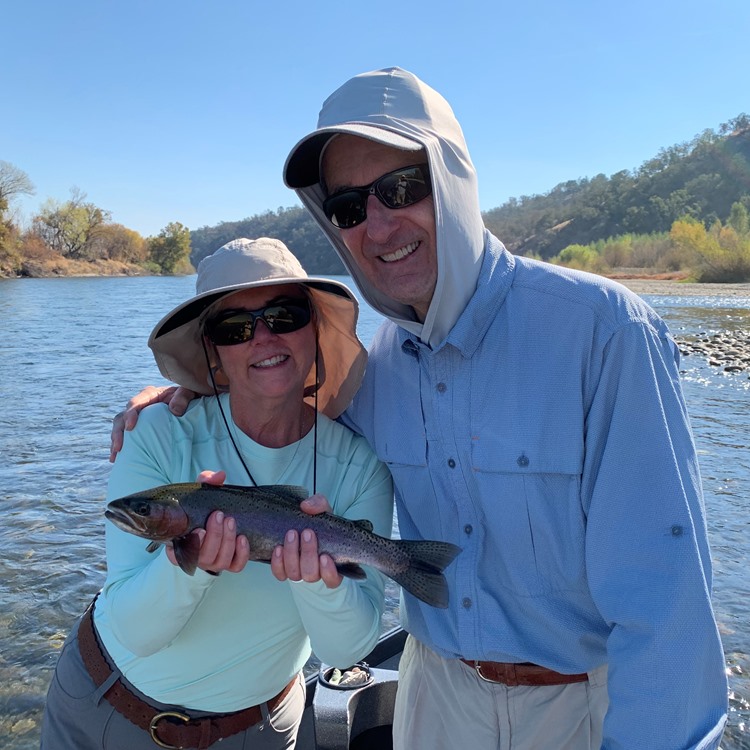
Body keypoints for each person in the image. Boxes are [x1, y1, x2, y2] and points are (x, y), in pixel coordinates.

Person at [112, 68, 728, 750]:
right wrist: (192, 391)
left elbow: (665, 603)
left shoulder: (607, 333)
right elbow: (279, 410)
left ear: (456, 182)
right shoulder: (373, 375)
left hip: (581, 705)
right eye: (348, 208)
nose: (377, 225)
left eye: (402, 189)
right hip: (435, 697)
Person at [43, 237, 393, 750]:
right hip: (107, 710)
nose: (263, 338)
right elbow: (136, 633)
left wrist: (317, 579)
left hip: (263, 729)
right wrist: (190, 568)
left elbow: (347, 651)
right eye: (235, 327)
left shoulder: (359, 468)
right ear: (213, 349)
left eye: (285, 315)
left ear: (314, 327)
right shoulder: (157, 434)